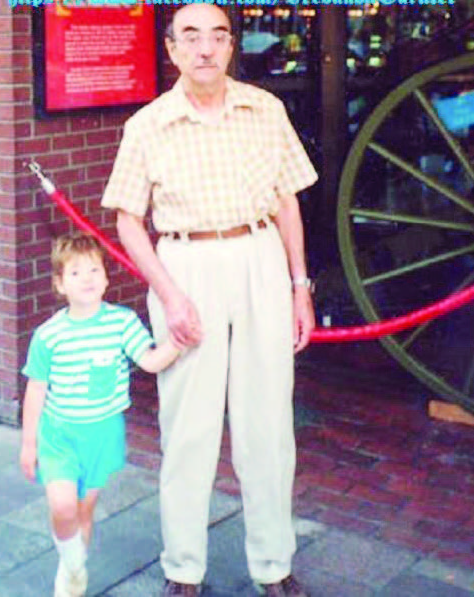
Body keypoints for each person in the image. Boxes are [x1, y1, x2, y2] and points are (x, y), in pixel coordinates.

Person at [101, 4, 318, 596]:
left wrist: (299, 286)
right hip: (185, 265)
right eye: (191, 37)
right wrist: (169, 295)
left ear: (230, 47)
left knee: (268, 424)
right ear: (171, 50)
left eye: (218, 37)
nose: (205, 49)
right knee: (188, 428)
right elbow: (127, 220)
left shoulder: (265, 110)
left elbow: (287, 202)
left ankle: (274, 566)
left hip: (259, 257)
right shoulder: (148, 124)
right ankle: (183, 570)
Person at [19, 233, 183, 597]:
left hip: (102, 434)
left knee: (83, 509)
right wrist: (29, 444)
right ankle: (72, 564)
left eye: (94, 269)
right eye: (76, 272)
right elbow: (36, 390)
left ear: (107, 278)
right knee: (62, 507)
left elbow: (150, 360)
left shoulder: (122, 323)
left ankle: (72, 574)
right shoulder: (49, 335)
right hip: (59, 435)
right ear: (60, 284)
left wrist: (178, 341)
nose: (88, 278)